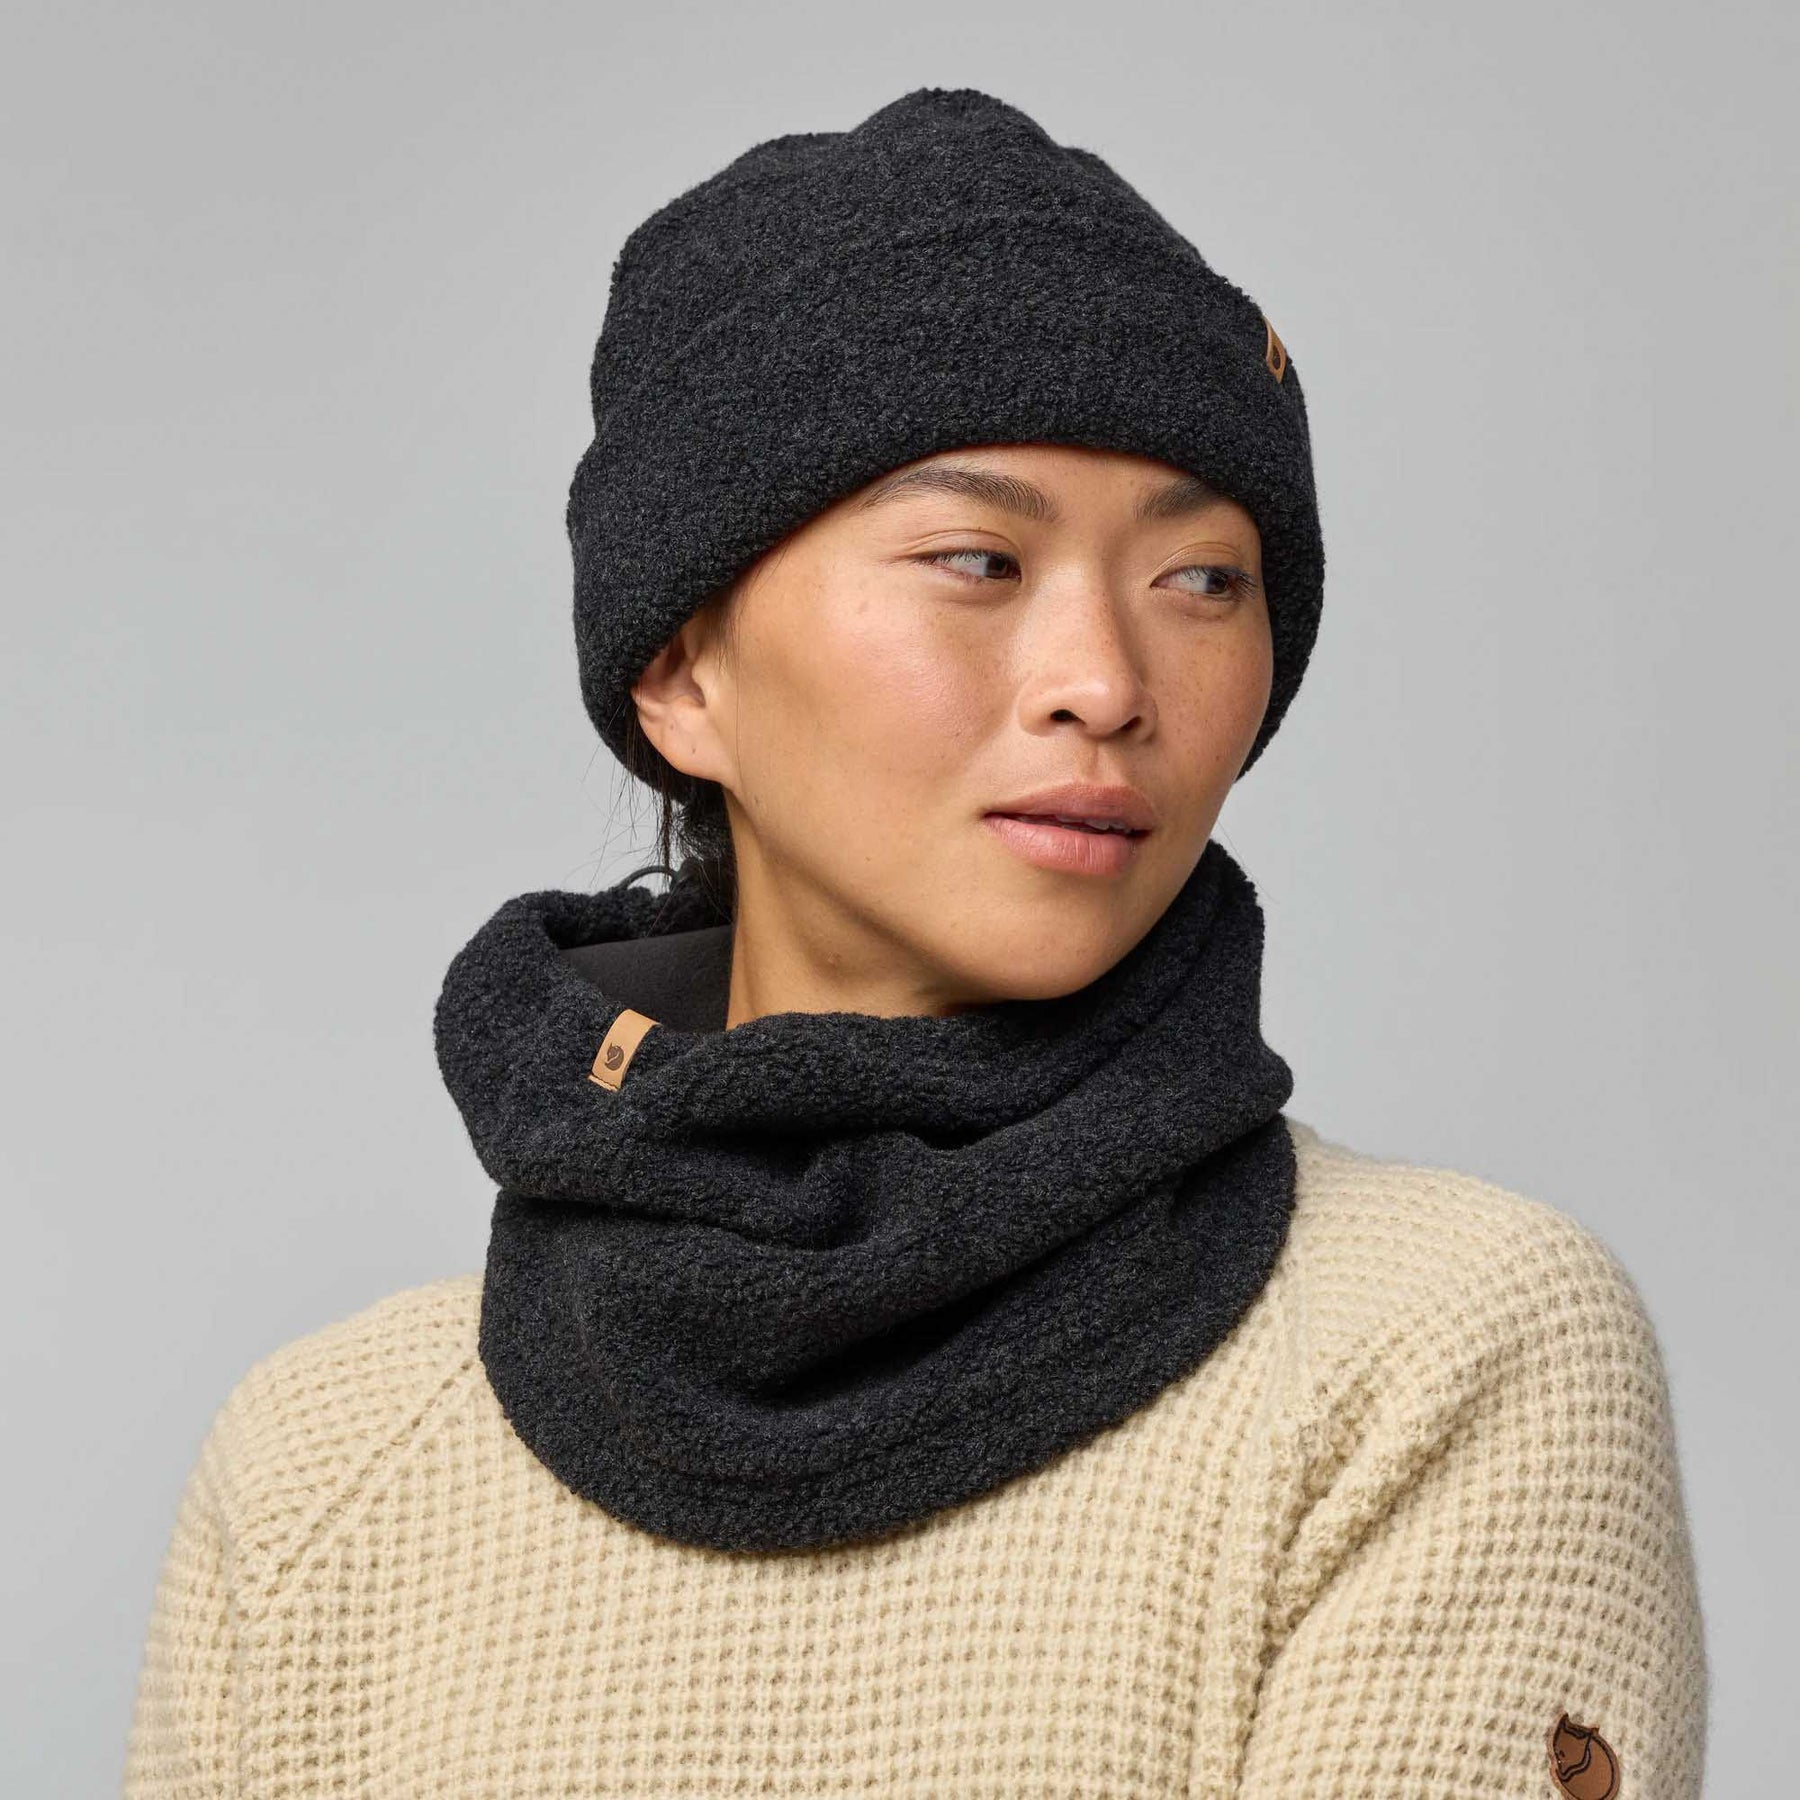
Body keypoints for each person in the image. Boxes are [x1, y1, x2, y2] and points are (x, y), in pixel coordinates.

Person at [122, 86, 1708, 1797]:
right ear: (681, 671)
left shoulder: (1438, 1355)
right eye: (976, 559)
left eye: (1203, 579)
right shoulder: (323, 1469)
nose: (1105, 681)